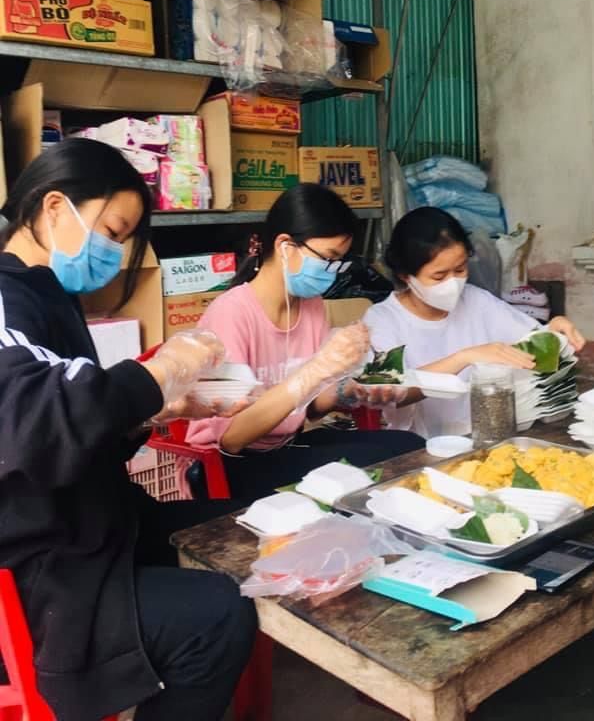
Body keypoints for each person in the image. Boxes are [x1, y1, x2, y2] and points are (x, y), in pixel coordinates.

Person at [0, 140, 365, 721]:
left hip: (97, 524)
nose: (115, 254)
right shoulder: (5, 298)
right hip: (45, 568)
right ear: (53, 207)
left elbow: (82, 430)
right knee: (217, 616)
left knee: (239, 530)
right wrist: (159, 371)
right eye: (112, 232)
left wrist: (163, 411)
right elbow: (32, 424)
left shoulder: (51, 295)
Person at [184, 184, 423, 503]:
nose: (331, 272)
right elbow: (232, 437)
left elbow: (309, 407)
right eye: (328, 259)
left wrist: (351, 387)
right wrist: (318, 368)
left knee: (409, 447)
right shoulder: (231, 314)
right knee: (380, 469)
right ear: (285, 246)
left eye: (339, 262)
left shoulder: (311, 305)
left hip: (286, 446)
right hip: (232, 465)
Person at [363, 207, 586, 438]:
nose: (453, 283)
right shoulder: (382, 319)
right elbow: (390, 392)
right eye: (439, 276)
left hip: (486, 432)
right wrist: (463, 358)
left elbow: (527, 343)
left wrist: (553, 331)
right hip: (420, 443)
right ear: (405, 275)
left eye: (460, 269)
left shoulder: (476, 300)